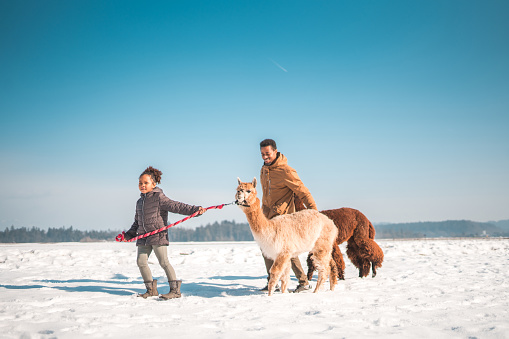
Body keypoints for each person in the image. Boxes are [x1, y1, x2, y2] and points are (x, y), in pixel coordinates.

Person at [118, 166, 206, 300]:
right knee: (141, 262)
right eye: (140, 183)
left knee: (163, 262)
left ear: (153, 184)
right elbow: (137, 223)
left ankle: (175, 290)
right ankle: (151, 290)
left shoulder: (159, 197)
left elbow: (177, 206)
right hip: (143, 237)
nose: (142, 185)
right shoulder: (139, 202)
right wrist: (128, 235)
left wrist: (195, 210)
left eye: (145, 183)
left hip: (158, 236)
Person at [259, 139, 318, 293]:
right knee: (265, 248)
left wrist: (314, 212)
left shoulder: (286, 171)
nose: (265, 157)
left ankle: (303, 283)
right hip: (268, 217)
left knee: (286, 251)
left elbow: (303, 192)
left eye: (268, 154)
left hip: (284, 218)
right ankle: (273, 281)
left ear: (275, 152)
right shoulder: (264, 170)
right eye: (262, 154)